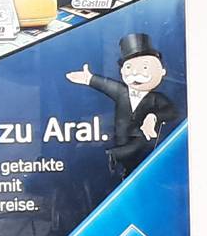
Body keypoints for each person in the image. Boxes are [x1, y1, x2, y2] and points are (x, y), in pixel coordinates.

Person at [68, 33, 182, 179]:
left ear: (162, 71)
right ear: (122, 71)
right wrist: (89, 78)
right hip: (122, 143)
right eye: (129, 67)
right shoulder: (121, 92)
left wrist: (153, 117)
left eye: (145, 68)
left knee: (140, 146)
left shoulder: (156, 99)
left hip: (142, 145)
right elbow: (106, 85)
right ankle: (118, 161)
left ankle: (114, 156)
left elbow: (171, 111)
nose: (135, 74)